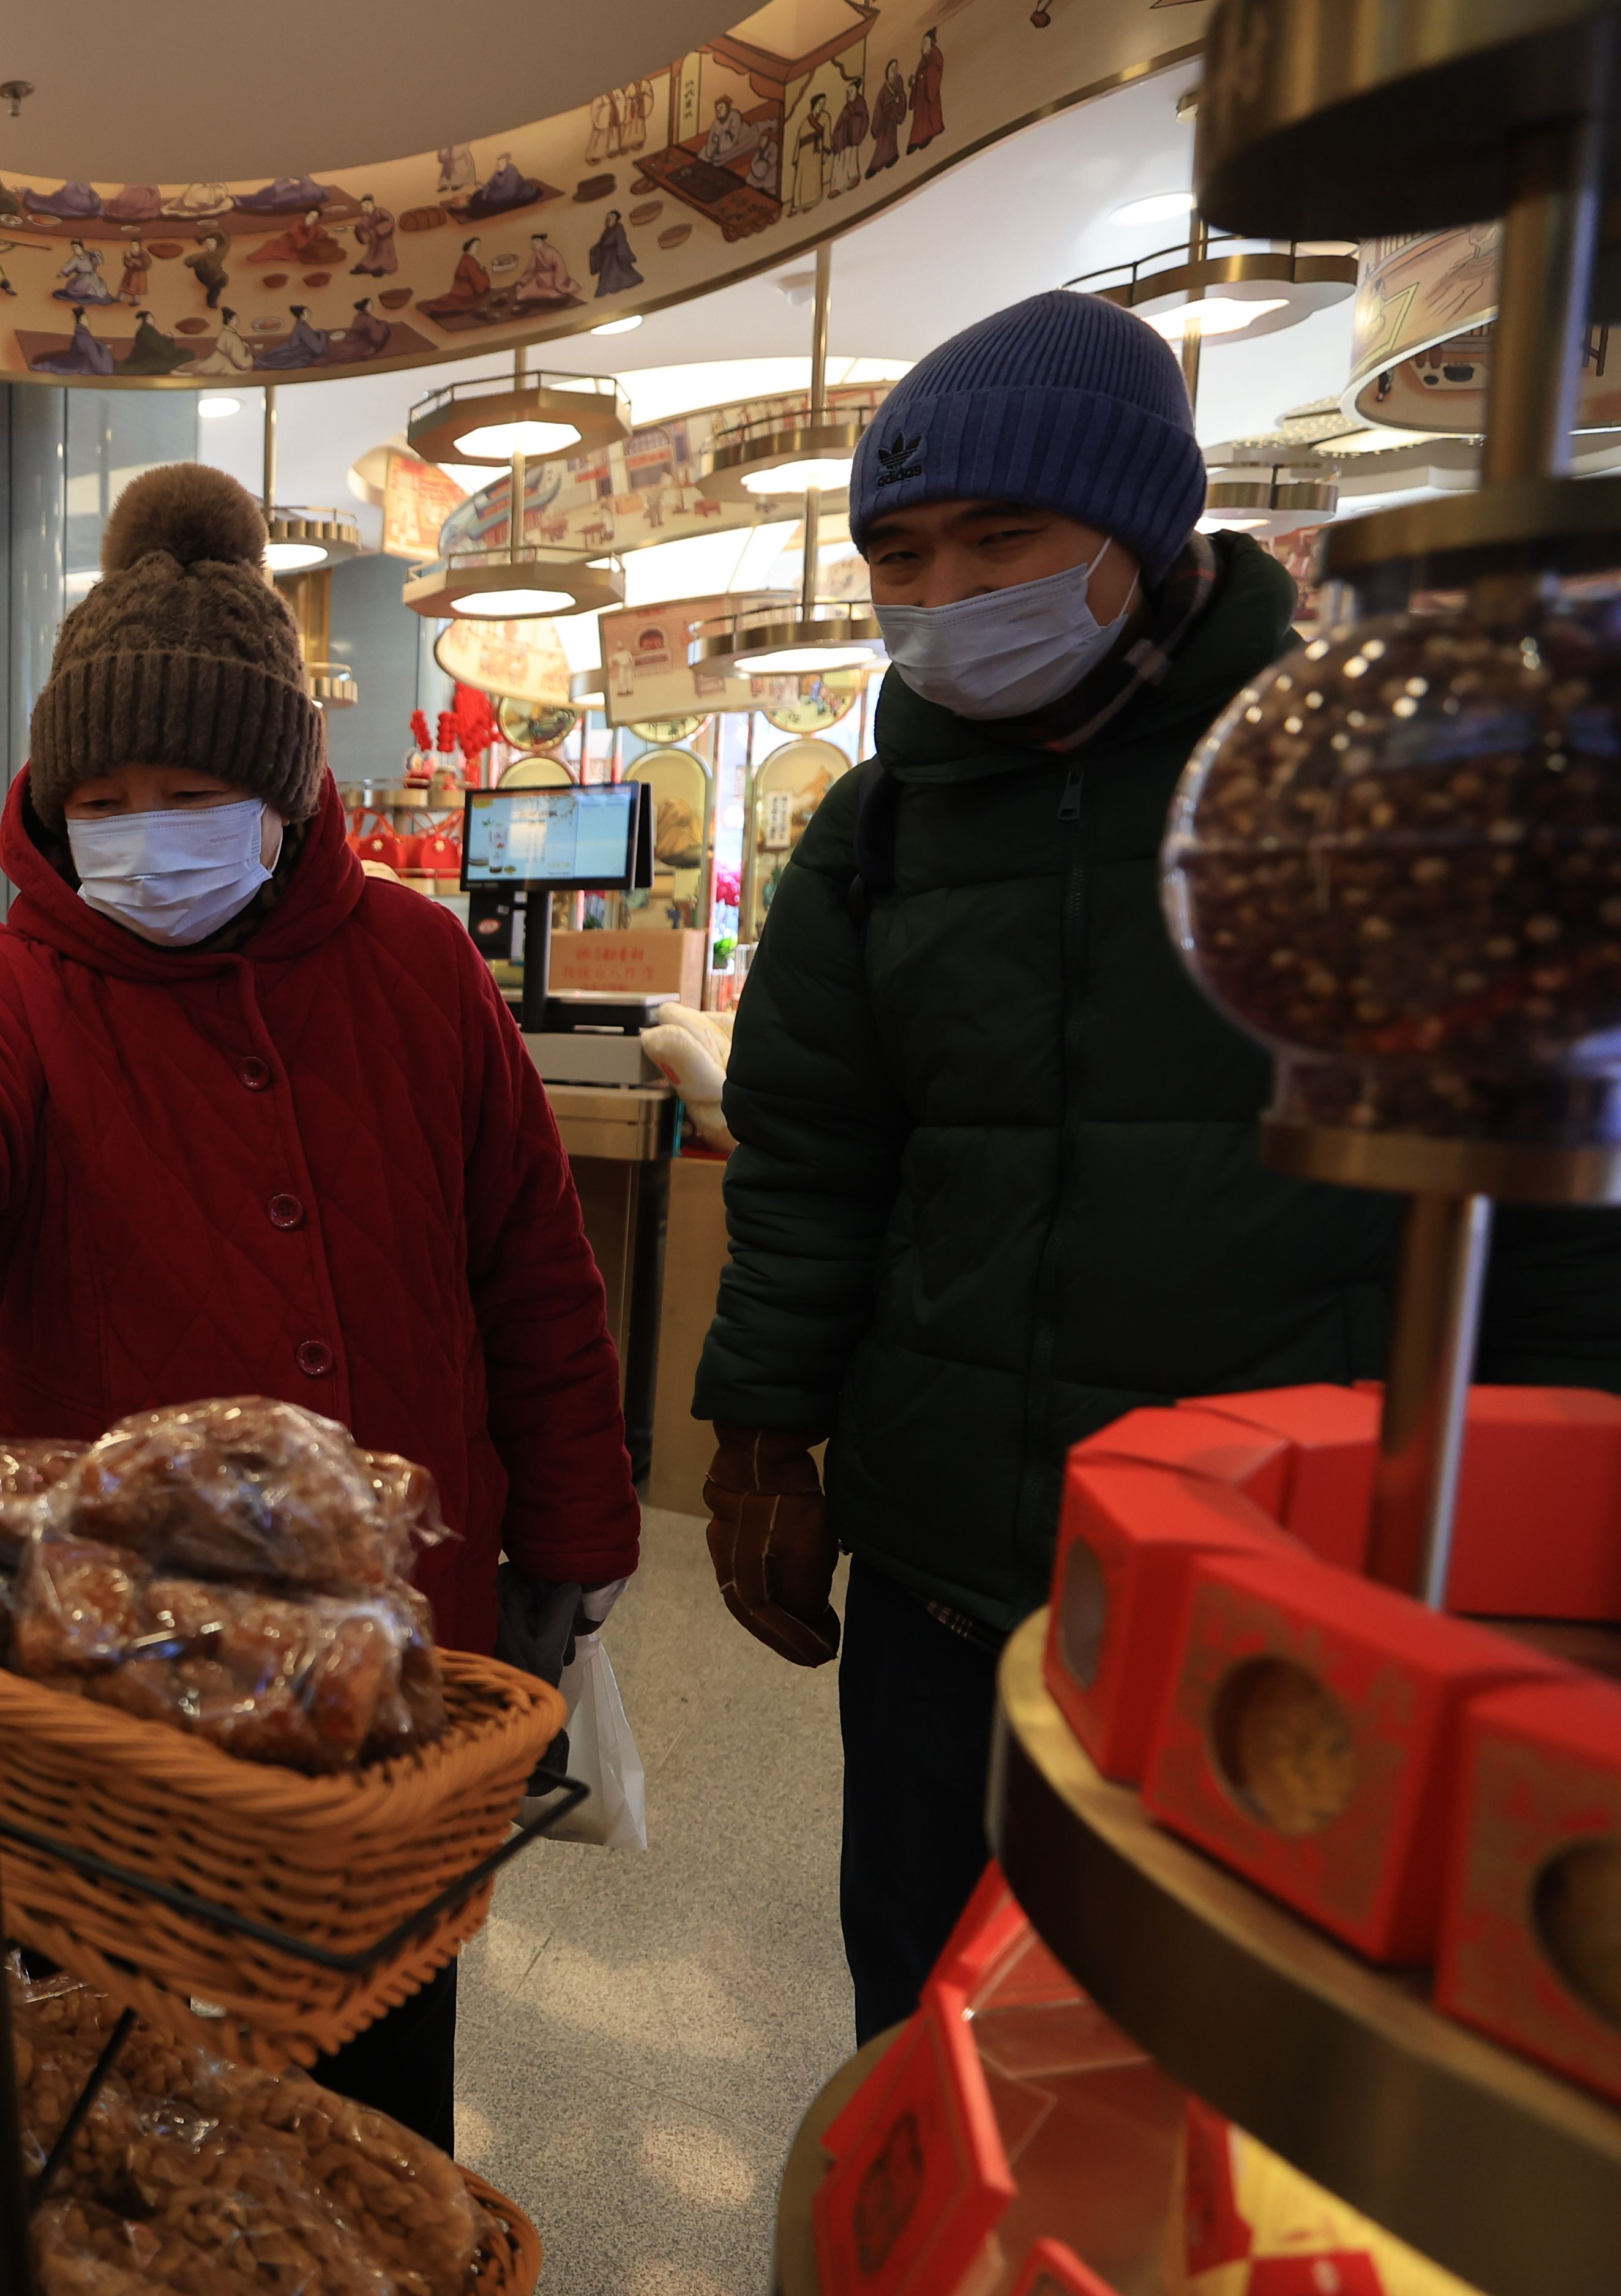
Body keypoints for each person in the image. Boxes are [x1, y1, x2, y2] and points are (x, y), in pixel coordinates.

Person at [0, 465, 641, 2148]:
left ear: (281, 790)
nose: (146, 829)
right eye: (106, 797)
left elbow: (536, 1271)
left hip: (395, 1638)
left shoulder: (421, 968)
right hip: (128, 1647)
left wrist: (576, 1539)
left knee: (374, 2067)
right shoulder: (23, 983)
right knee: (116, 2078)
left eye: (192, 790)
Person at [694, 291, 1621, 2041]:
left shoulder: (1357, 788)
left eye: (1002, 537)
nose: (945, 593)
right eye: (899, 552)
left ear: (1143, 523)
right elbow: (815, 1162)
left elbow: (1544, 1182)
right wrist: (762, 1429)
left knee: (1222, 2050)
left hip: (1281, 1583)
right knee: (928, 2019)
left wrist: (1563, 1518)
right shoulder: (877, 832)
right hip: (942, 1575)